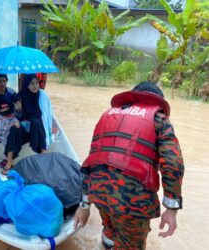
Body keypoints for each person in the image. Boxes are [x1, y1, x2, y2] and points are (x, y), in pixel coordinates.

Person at [74, 82, 184, 249]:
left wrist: (84, 205)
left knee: (109, 230)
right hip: (132, 201)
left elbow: (92, 161)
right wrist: (171, 208)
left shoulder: (107, 115)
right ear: (156, 101)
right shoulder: (159, 119)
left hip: (99, 193)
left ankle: (106, 245)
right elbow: (173, 163)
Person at [2, 74, 53, 174]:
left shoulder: (42, 96)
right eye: (32, 84)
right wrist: (19, 111)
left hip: (37, 130)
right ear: (26, 85)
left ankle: (43, 155)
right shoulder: (19, 97)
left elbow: (46, 116)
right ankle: (9, 162)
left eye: (37, 83)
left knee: (35, 122)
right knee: (14, 128)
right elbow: (18, 117)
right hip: (25, 130)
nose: (35, 86)